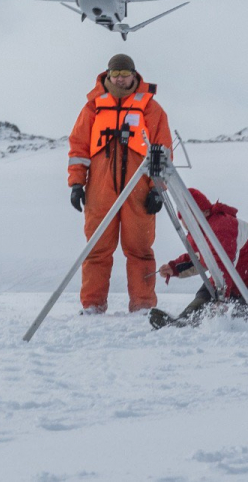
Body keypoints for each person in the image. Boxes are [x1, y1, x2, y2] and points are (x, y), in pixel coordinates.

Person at [67, 53, 171, 313]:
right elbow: (78, 147)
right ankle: (92, 304)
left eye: (125, 75)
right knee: (97, 249)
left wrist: (158, 189)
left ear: (134, 75)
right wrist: (76, 184)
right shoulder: (93, 107)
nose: (121, 79)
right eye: (116, 75)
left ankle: (143, 305)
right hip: (100, 189)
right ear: (108, 75)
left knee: (140, 249)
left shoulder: (151, 108)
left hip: (140, 188)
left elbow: (163, 151)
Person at [150, 188, 248, 329]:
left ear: (197, 214)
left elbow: (222, 267)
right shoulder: (207, 229)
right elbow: (203, 258)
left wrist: (220, 300)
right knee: (208, 290)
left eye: (184, 218)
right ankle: (184, 319)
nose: (184, 224)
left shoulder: (221, 229)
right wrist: (175, 267)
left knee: (235, 314)